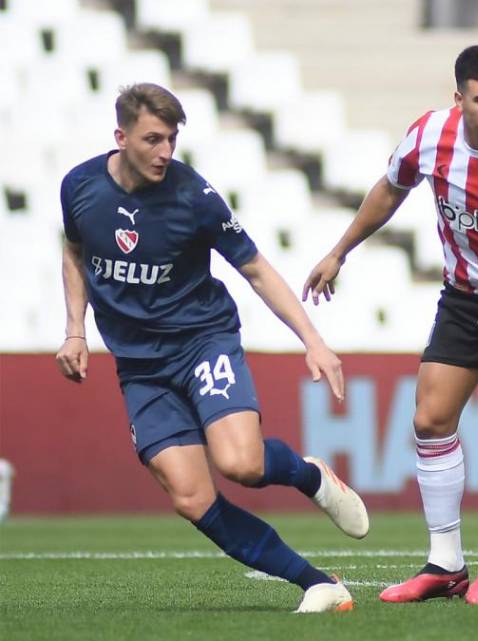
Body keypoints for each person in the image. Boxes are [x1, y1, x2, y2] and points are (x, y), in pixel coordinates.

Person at [55, 83, 369, 614]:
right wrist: (75, 330)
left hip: (202, 342)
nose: (164, 152)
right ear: (120, 136)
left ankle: (308, 474)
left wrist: (313, 340)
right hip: (140, 368)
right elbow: (74, 249)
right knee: (192, 498)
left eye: (171, 139)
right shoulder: (79, 187)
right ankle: (318, 583)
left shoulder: (193, 197)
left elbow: (255, 268)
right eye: (152, 139)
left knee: (242, 464)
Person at [302, 44, 478, 605]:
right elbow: (389, 189)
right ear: (457, 98)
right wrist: (340, 250)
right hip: (465, 293)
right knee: (431, 420)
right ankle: (446, 564)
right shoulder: (428, 138)